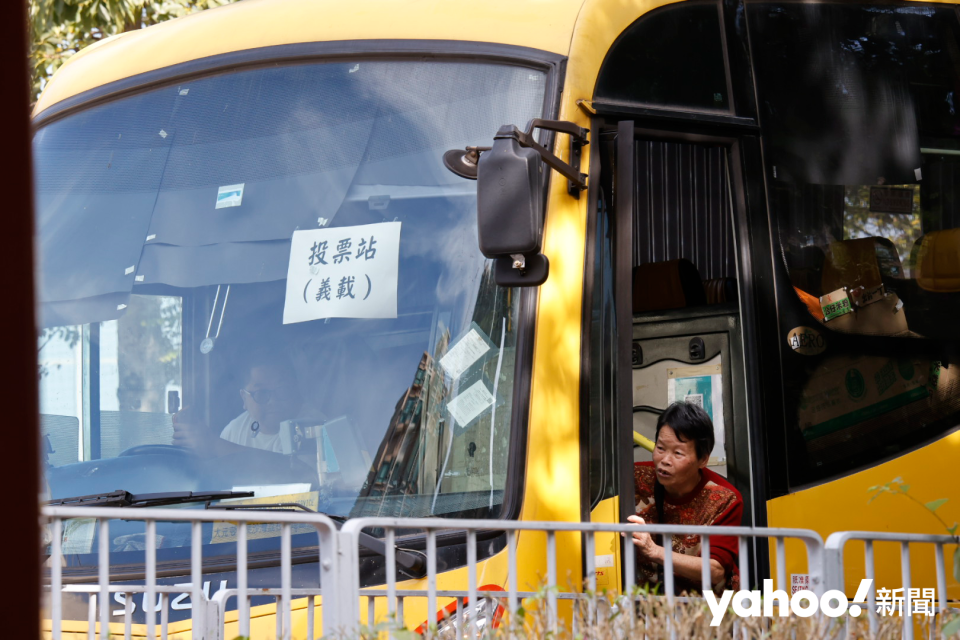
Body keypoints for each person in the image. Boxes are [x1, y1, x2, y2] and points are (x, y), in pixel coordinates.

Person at [624, 401, 742, 594]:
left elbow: (715, 570)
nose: (665, 460)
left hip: (708, 607)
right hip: (649, 606)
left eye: (678, 453)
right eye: (660, 448)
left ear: (703, 459)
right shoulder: (634, 478)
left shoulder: (725, 499)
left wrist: (654, 551)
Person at [172, 350, 304, 456]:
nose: (273, 401)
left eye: (282, 390)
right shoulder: (235, 430)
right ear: (244, 398)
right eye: (261, 393)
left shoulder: (312, 427)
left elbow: (300, 473)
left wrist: (215, 446)